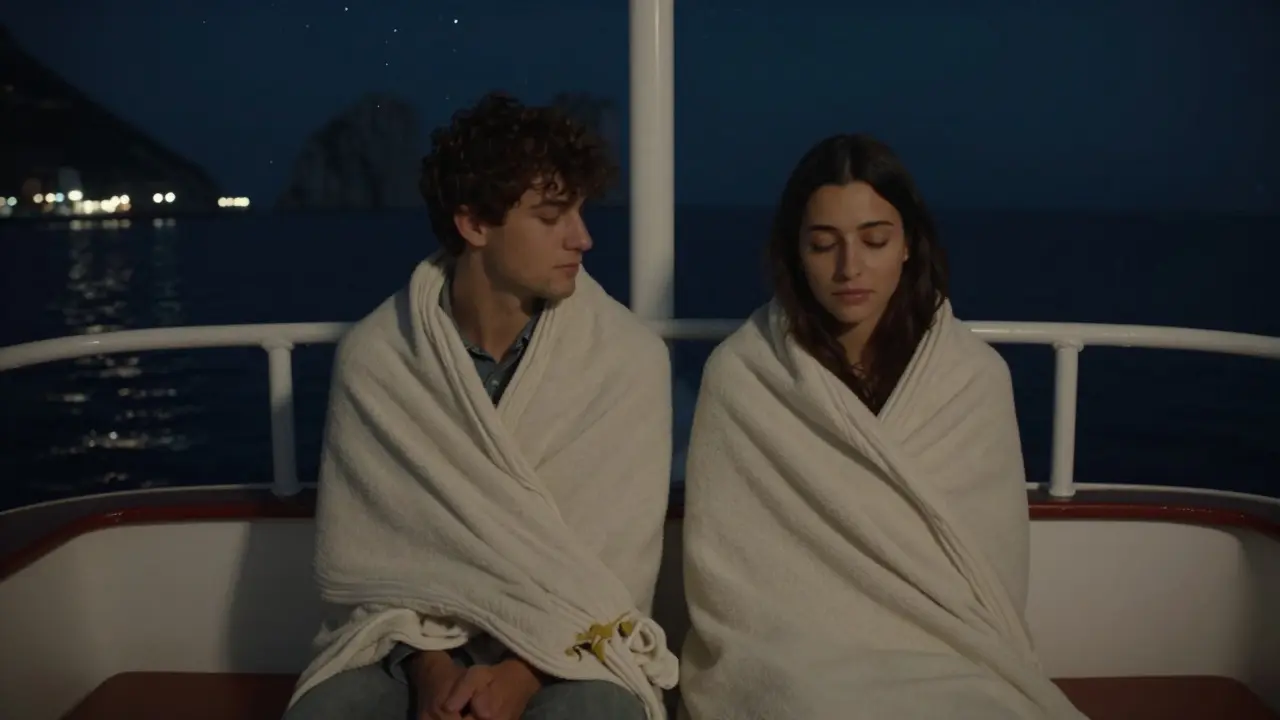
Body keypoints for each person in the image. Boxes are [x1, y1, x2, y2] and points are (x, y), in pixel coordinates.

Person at [283, 92, 678, 720]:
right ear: (474, 225)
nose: (583, 237)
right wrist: (432, 671)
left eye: (579, 209)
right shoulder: (380, 356)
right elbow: (363, 558)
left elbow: (616, 572)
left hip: (569, 640)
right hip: (411, 642)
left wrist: (520, 676)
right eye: (552, 216)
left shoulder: (627, 359)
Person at [677, 134, 1087, 719]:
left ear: (909, 246)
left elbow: (989, 576)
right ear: (794, 252)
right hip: (796, 660)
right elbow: (731, 581)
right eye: (823, 245)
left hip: (947, 653)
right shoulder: (744, 376)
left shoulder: (972, 379)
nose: (850, 268)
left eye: (874, 240)